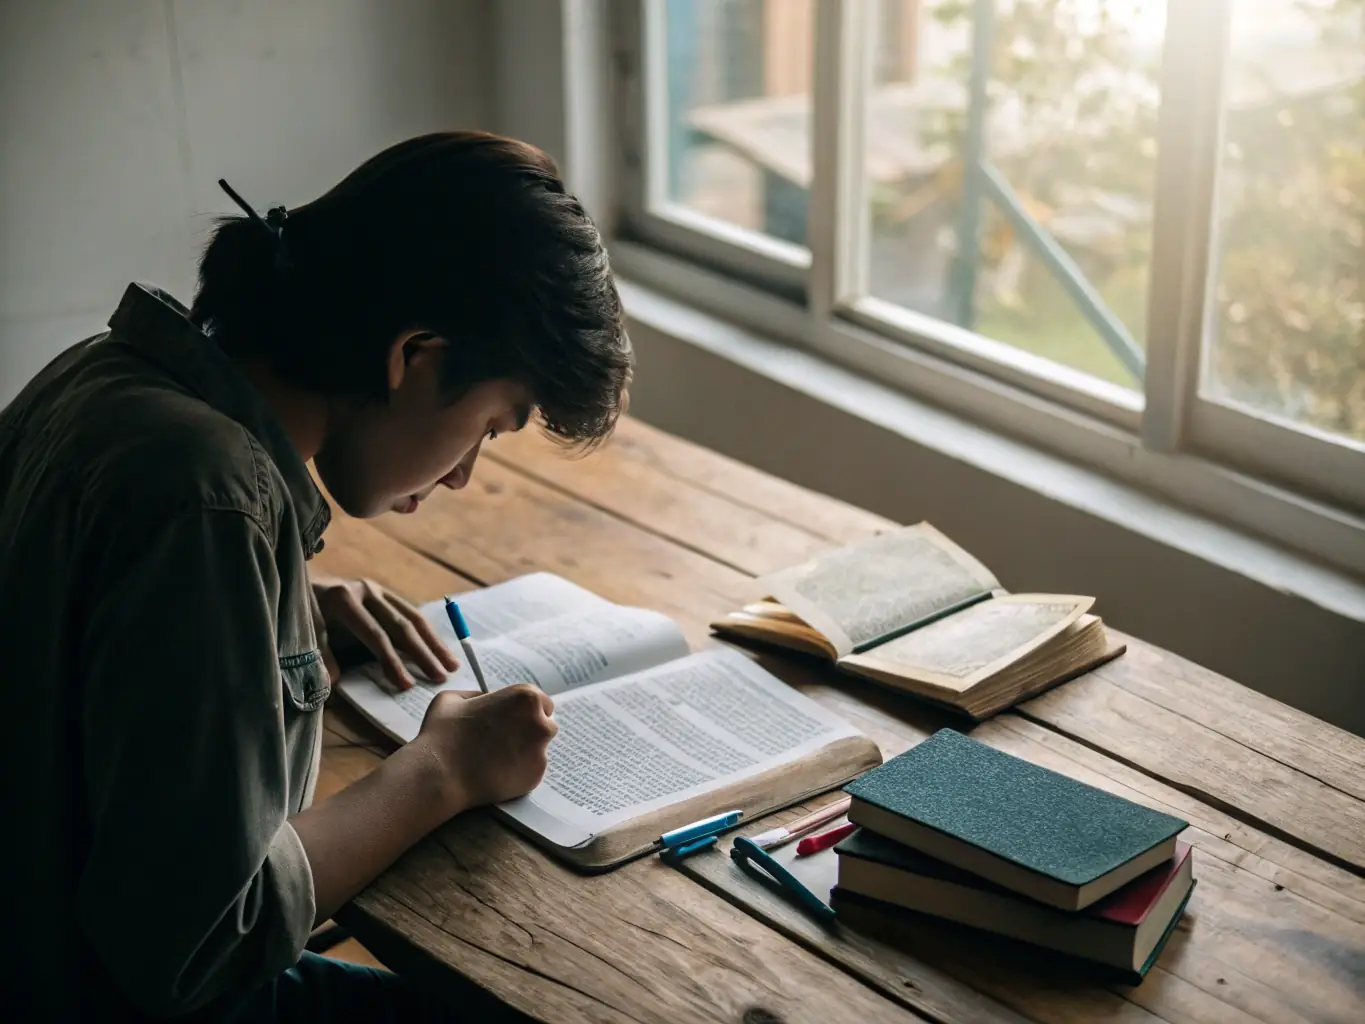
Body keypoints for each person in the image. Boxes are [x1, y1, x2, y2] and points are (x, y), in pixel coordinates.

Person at [0, 131, 632, 1022]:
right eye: (493, 425)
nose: (463, 475)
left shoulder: (105, 381)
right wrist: (444, 768)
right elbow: (200, 946)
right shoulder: (209, 498)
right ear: (414, 355)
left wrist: (272, 613)